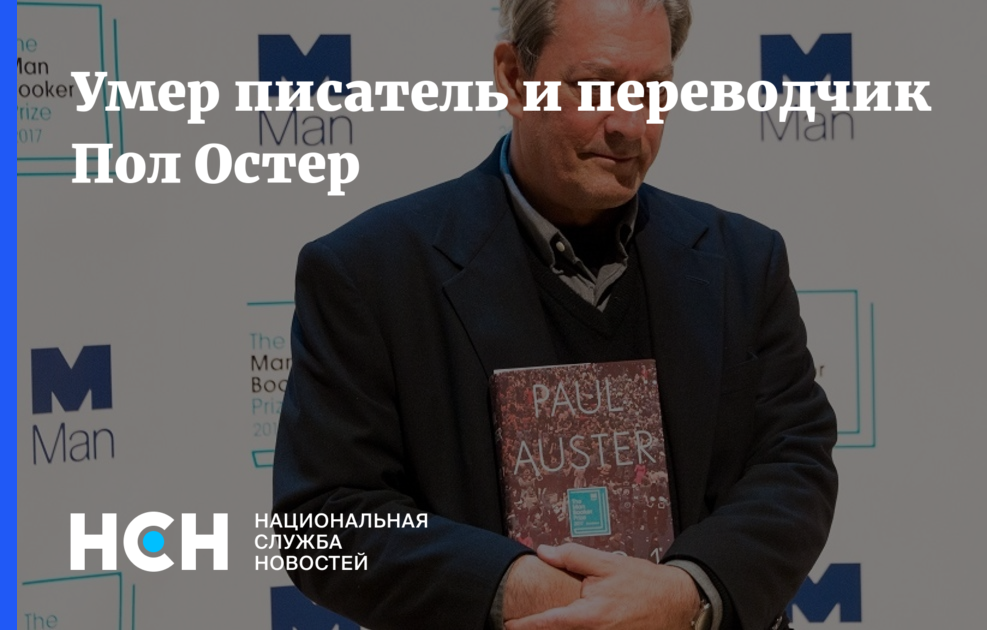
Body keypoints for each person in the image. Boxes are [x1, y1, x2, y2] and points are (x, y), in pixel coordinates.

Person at [271, 0, 838, 628]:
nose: (629, 125)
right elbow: (322, 523)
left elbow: (794, 467)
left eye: (654, 90)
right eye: (594, 87)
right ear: (515, 78)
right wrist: (521, 590)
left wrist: (687, 595)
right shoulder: (370, 272)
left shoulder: (744, 263)